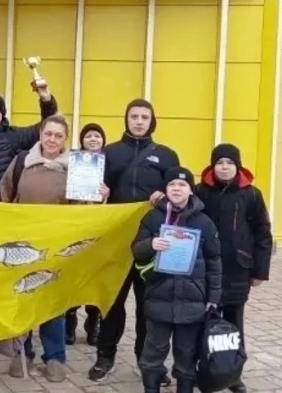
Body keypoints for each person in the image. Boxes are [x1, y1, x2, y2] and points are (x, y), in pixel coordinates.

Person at [0, 115, 103, 382]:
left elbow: (83, 209)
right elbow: (5, 194)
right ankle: (22, 352)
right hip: (24, 243)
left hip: (57, 245)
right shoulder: (22, 161)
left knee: (53, 302)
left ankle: (55, 356)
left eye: (58, 135)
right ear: (41, 135)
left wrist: (98, 197)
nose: (52, 139)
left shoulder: (77, 167)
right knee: (24, 297)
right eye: (48, 134)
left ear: (65, 139)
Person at [88, 99, 180, 384]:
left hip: (151, 243)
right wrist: (99, 194)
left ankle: (147, 361)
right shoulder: (109, 153)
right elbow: (91, 197)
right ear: (126, 119)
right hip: (116, 242)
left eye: (144, 117)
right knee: (112, 302)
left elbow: (178, 195)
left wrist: (165, 197)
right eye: (134, 116)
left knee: (147, 306)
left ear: (152, 121)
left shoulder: (166, 156)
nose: (139, 121)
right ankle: (105, 356)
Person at [132, 167, 222, 393]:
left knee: (186, 354)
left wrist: (213, 297)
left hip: (192, 301)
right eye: (172, 184)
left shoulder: (204, 222)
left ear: (191, 190)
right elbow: (136, 250)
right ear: (165, 189)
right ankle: (151, 388)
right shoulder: (153, 217)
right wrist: (150, 244)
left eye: (182, 185)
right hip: (158, 298)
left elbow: (214, 261)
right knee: (153, 353)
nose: (176, 188)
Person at [194, 144, 273, 393]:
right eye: (220, 162)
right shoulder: (199, 191)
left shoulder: (251, 194)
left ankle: (233, 374)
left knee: (233, 322)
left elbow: (263, 233)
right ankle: (200, 367)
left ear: (238, 166)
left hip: (238, 269)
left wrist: (260, 271)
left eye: (230, 162)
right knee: (200, 320)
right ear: (212, 166)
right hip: (204, 269)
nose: (225, 167)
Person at [65, 122, 107, 346]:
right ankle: (69, 320)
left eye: (97, 136)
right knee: (74, 276)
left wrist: (106, 195)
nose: (93, 139)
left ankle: (93, 322)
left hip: (100, 231)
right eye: (88, 135)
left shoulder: (109, 165)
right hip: (75, 228)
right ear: (81, 140)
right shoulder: (72, 163)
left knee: (95, 278)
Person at [0, 82, 58, 183]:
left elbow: (46, 126)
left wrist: (47, 101)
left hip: (8, 192)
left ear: (2, 114)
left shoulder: (14, 135)